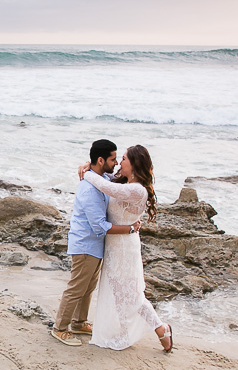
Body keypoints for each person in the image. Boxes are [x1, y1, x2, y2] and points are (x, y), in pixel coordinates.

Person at [78, 144, 172, 352]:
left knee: (133, 296)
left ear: (135, 163)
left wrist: (87, 171)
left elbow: (106, 187)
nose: (120, 162)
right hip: (112, 246)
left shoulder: (137, 190)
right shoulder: (122, 181)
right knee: (119, 293)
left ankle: (161, 329)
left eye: (124, 159)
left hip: (125, 247)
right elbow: (107, 181)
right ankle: (124, 329)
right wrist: (89, 166)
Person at [51, 139, 141, 347]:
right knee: (76, 288)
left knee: (88, 287)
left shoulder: (101, 177)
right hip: (84, 245)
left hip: (95, 246)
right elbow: (100, 226)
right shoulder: (89, 190)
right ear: (101, 160)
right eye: (113, 159)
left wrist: (86, 165)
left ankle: (79, 322)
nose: (117, 163)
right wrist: (130, 229)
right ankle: (60, 328)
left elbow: (115, 178)